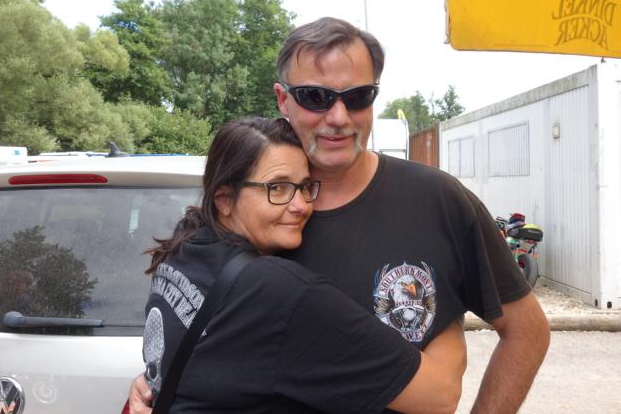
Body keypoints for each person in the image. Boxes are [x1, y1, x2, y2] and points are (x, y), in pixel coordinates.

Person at [130, 17, 550, 413]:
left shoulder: (438, 200)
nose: (338, 117)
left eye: (358, 97)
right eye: (315, 97)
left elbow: (527, 331)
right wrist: (161, 380)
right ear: (283, 99)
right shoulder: (248, 211)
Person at [139, 116, 462, 413]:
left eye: (305, 187)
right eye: (277, 188)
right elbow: (440, 395)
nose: (300, 205)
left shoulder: (184, 248)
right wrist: (449, 310)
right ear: (224, 199)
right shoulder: (278, 292)